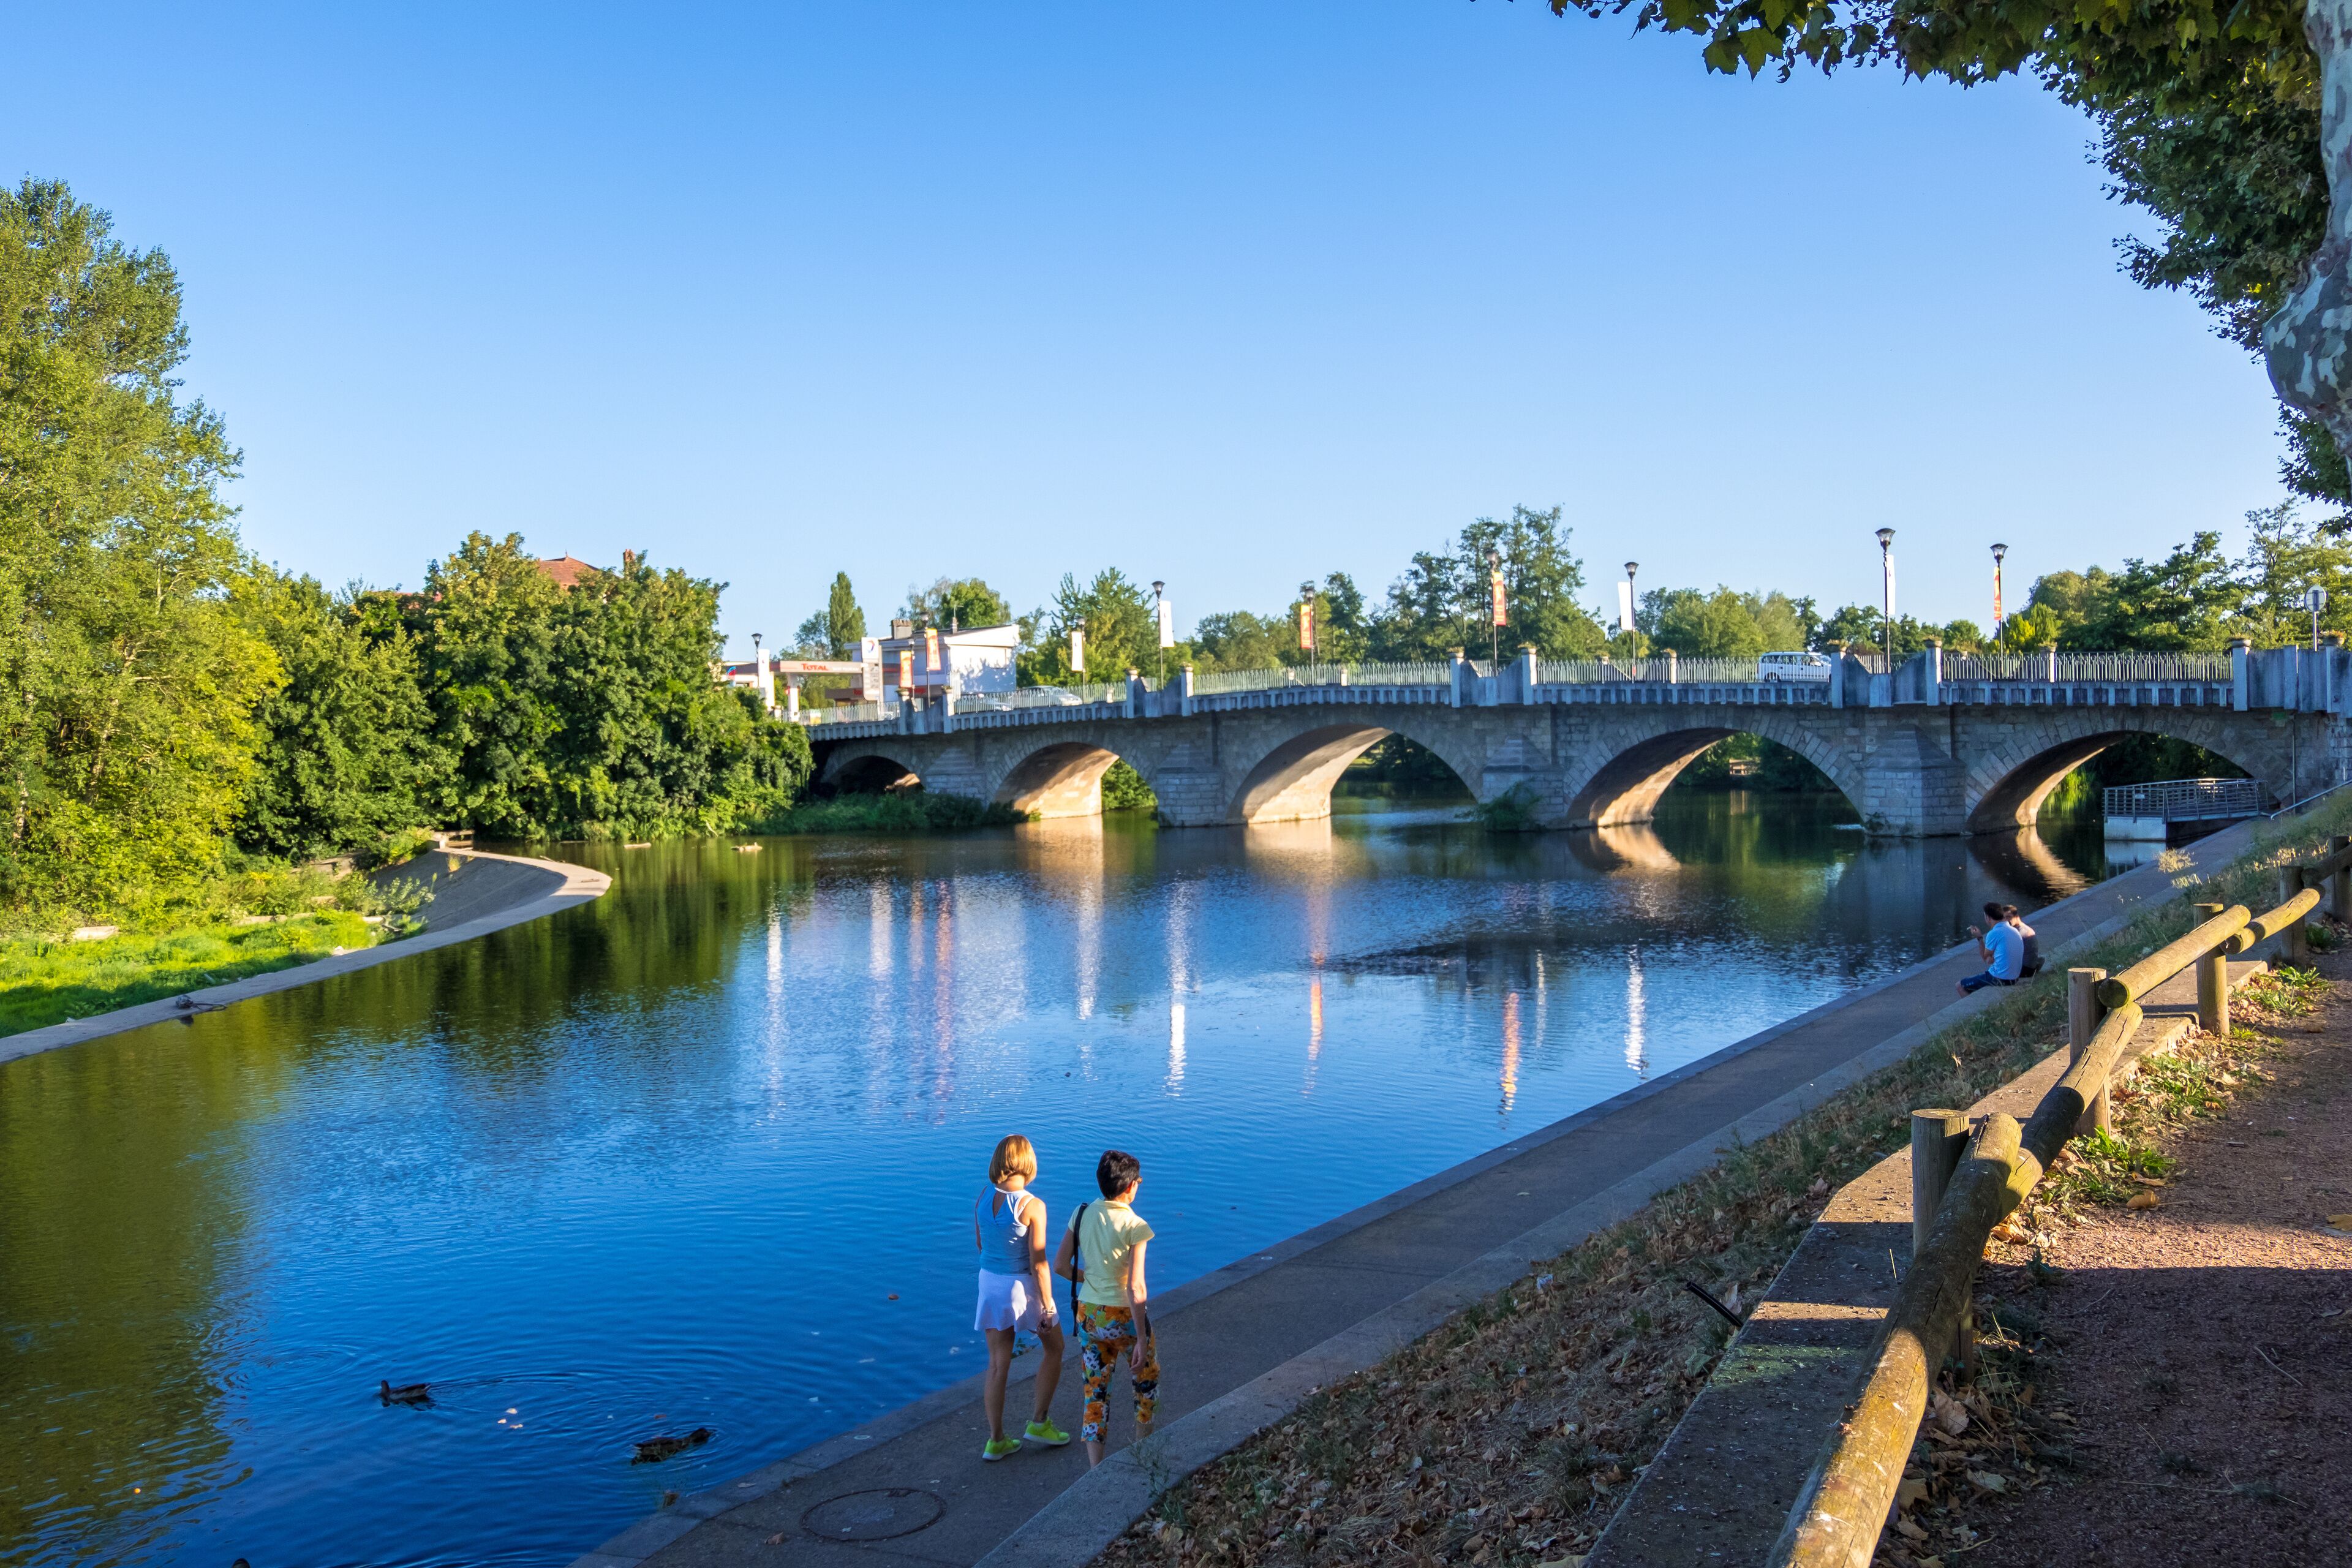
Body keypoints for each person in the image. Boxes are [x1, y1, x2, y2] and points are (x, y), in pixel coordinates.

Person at [1052, 1148, 1157, 1468]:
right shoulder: (1136, 1225)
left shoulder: (1082, 1213)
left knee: (1095, 1392)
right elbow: (1136, 1288)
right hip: (1124, 1316)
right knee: (1145, 1382)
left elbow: (1061, 1266)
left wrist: (1093, 1277)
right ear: (1131, 1187)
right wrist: (1142, 1338)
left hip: (1089, 1315)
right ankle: (1144, 1456)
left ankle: (1096, 1471)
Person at [973, 1134, 1069, 1461]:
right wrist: (1049, 1305)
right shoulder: (1032, 1205)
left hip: (989, 1282)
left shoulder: (983, 1196)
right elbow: (1039, 1263)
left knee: (997, 1364)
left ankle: (996, 1440)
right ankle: (1039, 1422)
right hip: (1020, 1286)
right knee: (1055, 1348)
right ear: (1028, 1162)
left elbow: (981, 1245)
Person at [1958, 901, 2032, 995]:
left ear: (1988, 918)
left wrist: (1979, 938)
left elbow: (1985, 958)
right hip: (2015, 977)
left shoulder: (1994, 933)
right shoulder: (2014, 930)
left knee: (1960, 986)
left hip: (2001, 978)